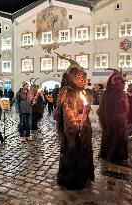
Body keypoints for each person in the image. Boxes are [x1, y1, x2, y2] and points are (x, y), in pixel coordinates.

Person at [54, 54, 94, 190]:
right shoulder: (66, 92)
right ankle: (72, 178)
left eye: (84, 77)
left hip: (84, 128)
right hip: (72, 130)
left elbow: (85, 109)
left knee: (84, 151)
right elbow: (66, 113)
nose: (83, 79)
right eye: (79, 77)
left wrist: (85, 112)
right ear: (72, 77)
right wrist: (76, 126)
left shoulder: (83, 92)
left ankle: (84, 174)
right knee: (73, 152)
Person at [97, 69, 129, 162]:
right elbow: (101, 110)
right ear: (112, 82)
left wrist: (123, 116)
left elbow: (125, 108)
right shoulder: (106, 94)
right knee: (110, 140)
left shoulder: (123, 94)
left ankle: (119, 155)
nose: (121, 84)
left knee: (120, 139)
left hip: (120, 122)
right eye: (118, 81)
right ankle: (109, 156)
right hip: (109, 122)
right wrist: (105, 121)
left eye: (122, 82)